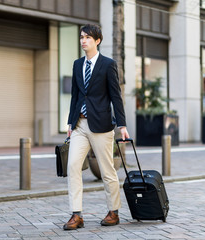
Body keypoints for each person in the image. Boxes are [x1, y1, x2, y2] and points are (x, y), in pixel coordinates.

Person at [63, 23, 130, 230]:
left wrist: (122, 124)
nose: (83, 41)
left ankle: (113, 211)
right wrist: (70, 122)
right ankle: (76, 214)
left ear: (97, 41)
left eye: (88, 38)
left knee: (107, 170)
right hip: (80, 125)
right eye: (82, 37)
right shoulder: (76, 65)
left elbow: (115, 96)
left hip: (101, 125)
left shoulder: (108, 64)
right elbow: (76, 95)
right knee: (73, 165)